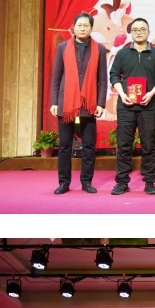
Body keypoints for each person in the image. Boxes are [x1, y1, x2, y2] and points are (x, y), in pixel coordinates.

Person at [110, 18, 155, 195]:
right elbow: (114, 75)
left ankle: (150, 181)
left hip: (148, 105)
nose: (139, 32)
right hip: (126, 105)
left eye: (142, 29)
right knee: (124, 145)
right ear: (131, 32)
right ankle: (122, 182)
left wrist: (151, 93)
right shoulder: (123, 53)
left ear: (148, 32)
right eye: (135, 29)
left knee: (148, 144)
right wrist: (122, 94)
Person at [50, 13, 108, 195]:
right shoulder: (62, 47)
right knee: (64, 145)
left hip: (89, 103)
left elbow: (103, 80)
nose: (82, 29)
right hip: (66, 102)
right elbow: (56, 77)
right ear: (73, 28)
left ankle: (86, 182)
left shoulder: (99, 49)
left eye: (86, 26)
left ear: (91, 28)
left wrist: (100, 104)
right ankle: (64, 182)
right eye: (79, 25)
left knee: (89, 146)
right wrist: (54, 102)